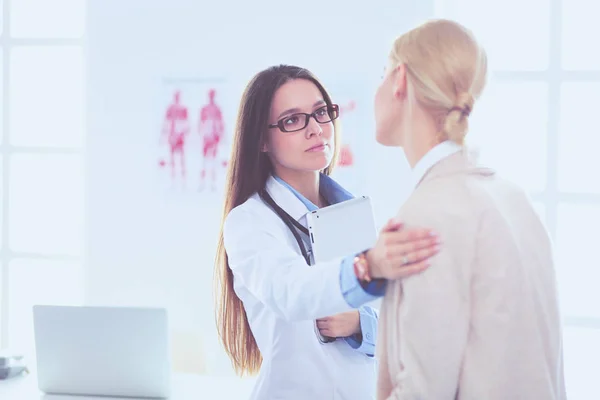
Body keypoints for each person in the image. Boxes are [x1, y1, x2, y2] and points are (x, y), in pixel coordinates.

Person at [214, 65, 441, 400]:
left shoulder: (351, 213)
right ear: (261, 140)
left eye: (321, 113)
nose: (316, 129)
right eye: (293, 120)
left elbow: (399, 327)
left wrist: (360, 325)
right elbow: (290, 293)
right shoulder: (249, 222)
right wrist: (367, 268)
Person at [372, 19, 566, 399]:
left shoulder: (428, 215)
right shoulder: (509, 196)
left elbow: (423, 390)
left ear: (399, 80)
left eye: (382, 74)